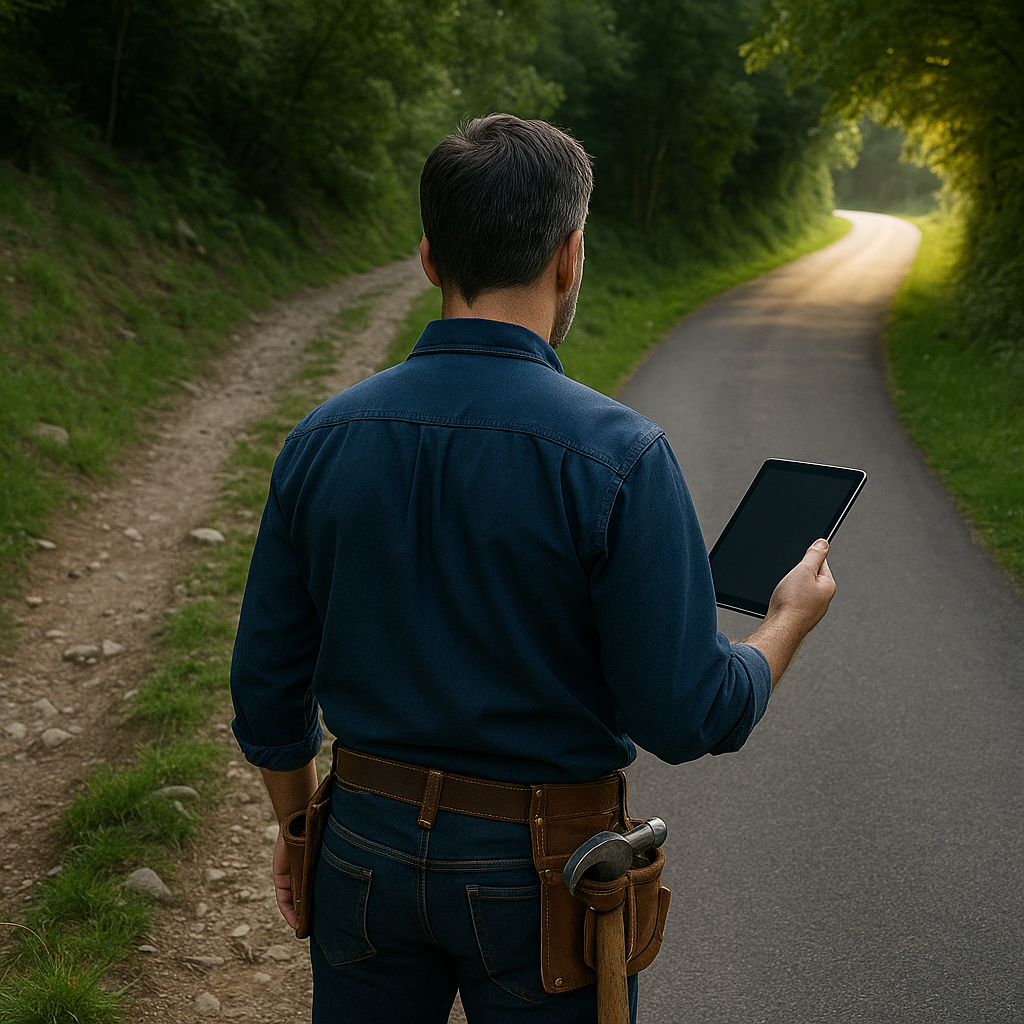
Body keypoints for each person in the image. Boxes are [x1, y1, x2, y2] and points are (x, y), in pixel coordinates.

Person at [229, 113, 836, 1023]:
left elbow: (266, 692)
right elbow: (686, 710)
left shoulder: (321, 439)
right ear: (570, 256)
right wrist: (786, 621)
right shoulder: (621, 456)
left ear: (430, 259)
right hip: (548, 871)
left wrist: (297, 821)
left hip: (361, 845)